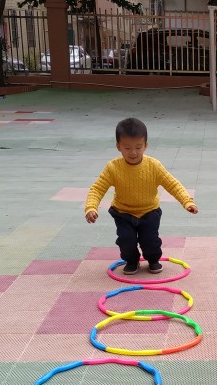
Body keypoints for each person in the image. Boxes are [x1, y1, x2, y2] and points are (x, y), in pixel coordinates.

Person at [85, 117, 198, 274]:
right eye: (127, 148)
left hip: (149, 212)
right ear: (118, 147)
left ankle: (153, 259)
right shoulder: (112, 168)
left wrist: (187, 202)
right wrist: (91, 207)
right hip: (123, 213)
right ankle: (132, 261)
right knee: (126, 240)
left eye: (138, 147)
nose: (133, 152)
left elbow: (173, 184)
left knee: (150, 241)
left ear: (145, 145)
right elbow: (97, 188)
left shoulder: (154, 166)